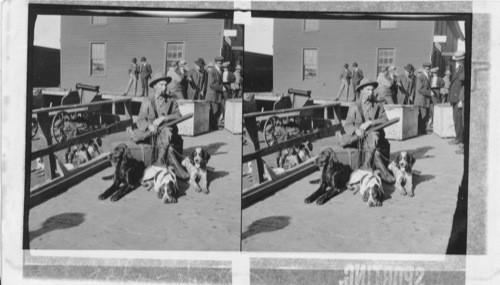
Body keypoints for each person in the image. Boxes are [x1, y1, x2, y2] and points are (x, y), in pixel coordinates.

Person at [343, 78, 395, 183]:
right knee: (376, 153)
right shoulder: (354, 106)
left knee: (374, 135)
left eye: (372, 90)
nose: (370, 92)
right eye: (368, 89)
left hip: (376, 137)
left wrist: (371, 123)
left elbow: (385, 119)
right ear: (361, 90)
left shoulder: (378, 104)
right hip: (359, 139)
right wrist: (356, 130)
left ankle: (365, 167)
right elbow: (347, 125)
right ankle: (384, 174)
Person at [135, 72, 183, 166]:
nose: (164, 88)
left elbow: (178, 115)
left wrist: (163, 118)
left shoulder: (172, 99)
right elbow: (140, 120)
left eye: (165, 85)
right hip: (152, 134)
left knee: (167, 132)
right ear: (154, 86)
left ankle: (160, 162)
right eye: (161, 85)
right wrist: (149, 126)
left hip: (167, 132)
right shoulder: (147, 100)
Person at [449, 50, 465, 149]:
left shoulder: (464, 69)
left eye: (458, 60)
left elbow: (464, 86)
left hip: (459, 99)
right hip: (454, 99)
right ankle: (458, 138)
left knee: (460, 121)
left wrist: (461, 100)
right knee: (456, 119)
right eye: (456, 60)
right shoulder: (458, 69)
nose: (457, 62)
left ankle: (462, 142)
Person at [414, 62, 433, 135]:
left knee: (426, 115)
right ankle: (421, 131)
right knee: (422, 115)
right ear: (424, 68)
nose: (429, 70)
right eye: (428, 69)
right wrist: (429, 92)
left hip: (426, 99)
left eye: (429, 69)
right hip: (421, 99)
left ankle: (423, 130)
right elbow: (419, 89)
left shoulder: (428, 76)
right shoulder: (420, 76)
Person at [206, 56, 224, 130]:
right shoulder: (212, 71)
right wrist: (221, 88)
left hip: (218, 95)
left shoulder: (220, 70)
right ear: (216, 63)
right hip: (213, 95)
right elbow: (211, 84)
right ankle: (212, 127)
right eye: (220, 63)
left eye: (222, 62)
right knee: (214, 112)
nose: (221, 64)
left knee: (217, 111)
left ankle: (214, 126)